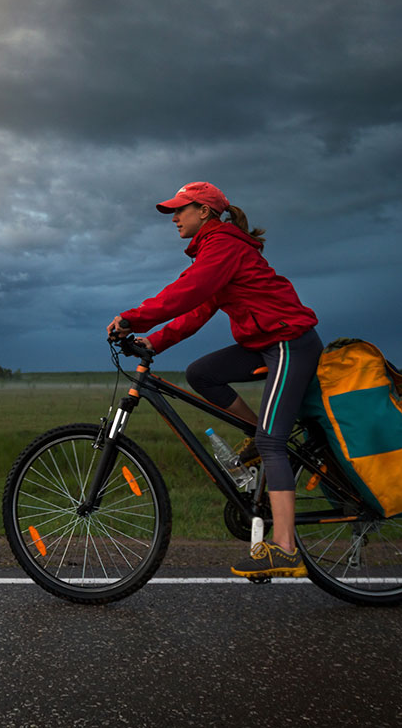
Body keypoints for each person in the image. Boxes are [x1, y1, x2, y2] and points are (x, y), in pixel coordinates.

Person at [106, 181, 321, 579]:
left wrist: (133, 316)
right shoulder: (215, 250)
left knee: (272, 441)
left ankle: (286, 549)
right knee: (200, 374)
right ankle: (261, 437)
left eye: (180, 209)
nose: (174, 218)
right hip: (264, 343)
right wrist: (151, 341)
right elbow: (197, 311)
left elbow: (186, 293)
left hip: (289, 342)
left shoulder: (223, 246)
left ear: (204, 211)